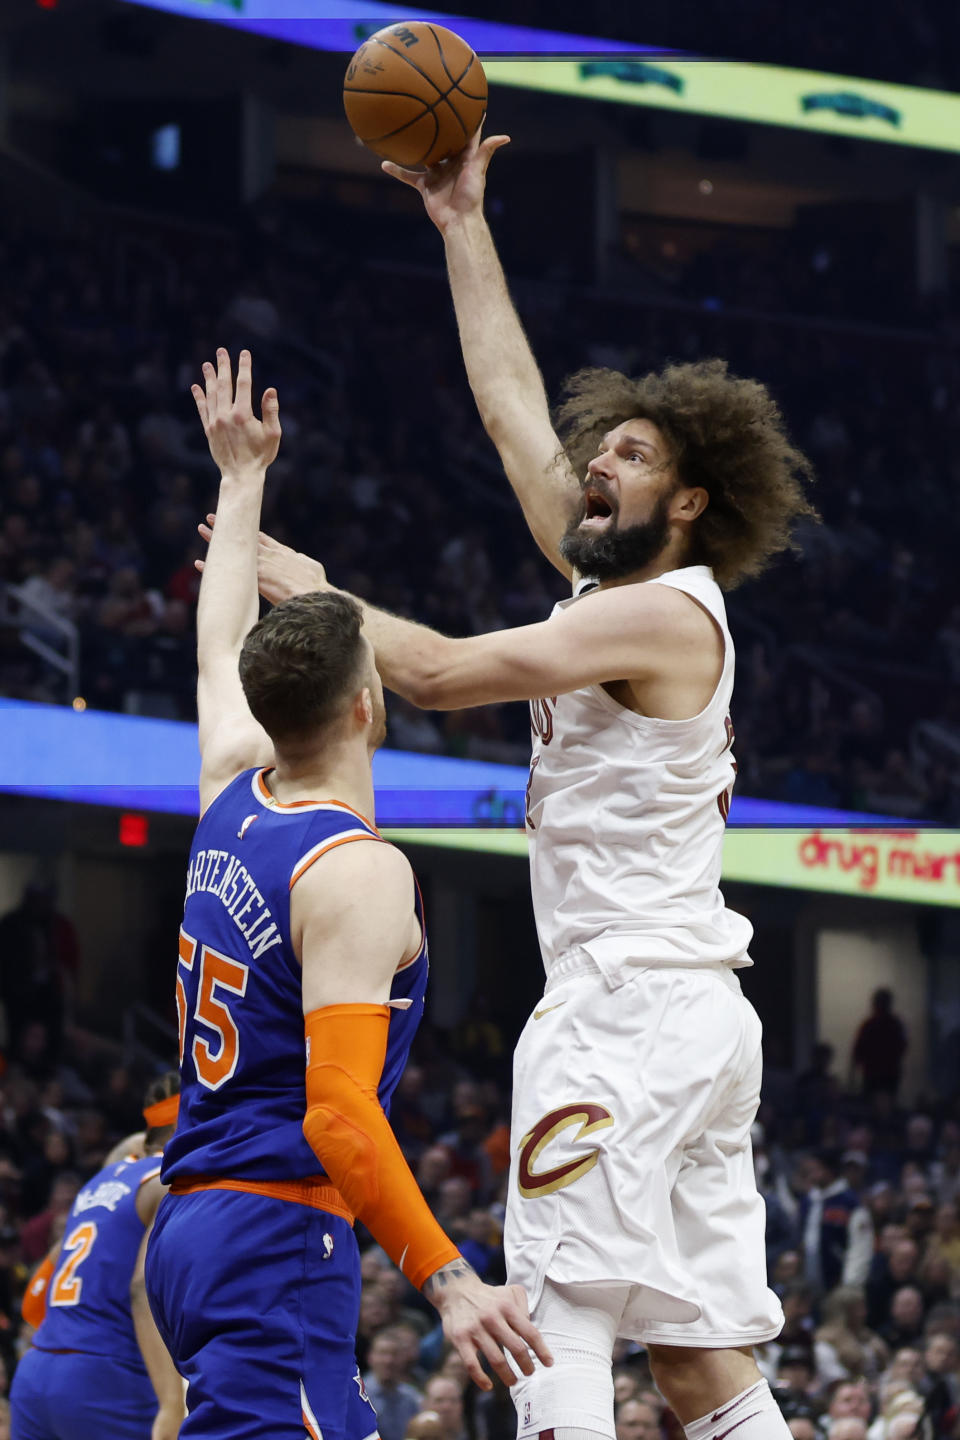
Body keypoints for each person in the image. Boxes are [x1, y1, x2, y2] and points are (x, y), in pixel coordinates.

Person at [236, 122, 817, 1440]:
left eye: (626, 456)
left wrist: (309, 587)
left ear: (688, 502)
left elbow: (433, 675)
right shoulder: (616, 587)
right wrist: (462, 221)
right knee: (705, 1372)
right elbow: (510, 413)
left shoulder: (667, 613)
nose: (593, 460)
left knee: (553, 1329)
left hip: (626, 1013)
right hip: (692, 1022)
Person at [147, 351, 549, 1440]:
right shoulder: (359, 870)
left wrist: (241, 483)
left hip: (195, 1229)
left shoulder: (234, 786)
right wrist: (451, 1279)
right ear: (371, 704)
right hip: (274, 1237)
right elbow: (336, 1111)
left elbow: (217, 645)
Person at [10, 1073, 184, 1440]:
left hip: (36, 1370)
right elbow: (141, 1289)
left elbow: (55, 1260)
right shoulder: (172, 1183)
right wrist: (172, 1404)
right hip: (102, 1378)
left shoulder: (101, 1180)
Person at [851, 989, 908, 1097]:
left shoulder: (870, 1025)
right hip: (883, 1074)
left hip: (878, 1074)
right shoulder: (894, 1024)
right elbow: (903, 1047)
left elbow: (858, 1051)